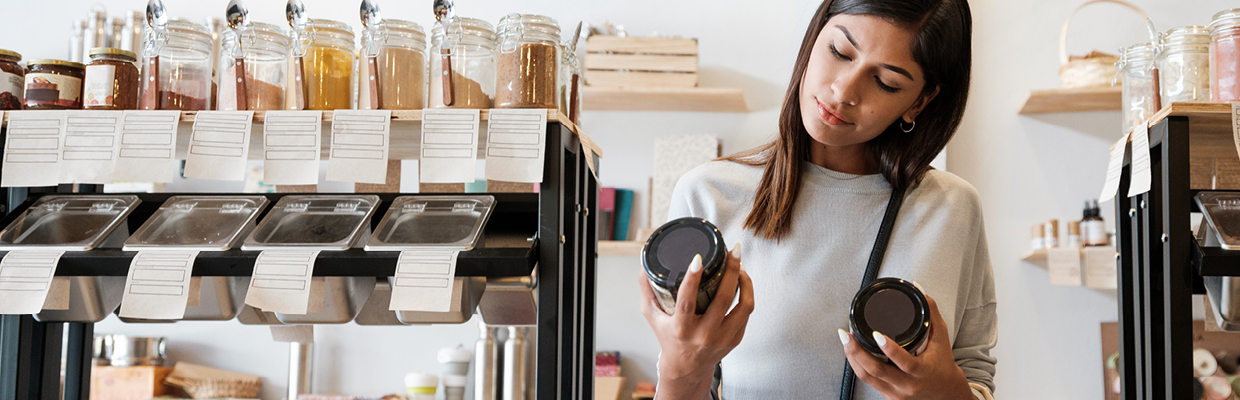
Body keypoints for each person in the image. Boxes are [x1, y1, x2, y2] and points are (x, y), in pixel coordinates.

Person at [636, 0, 996, 399]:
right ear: (814, 37)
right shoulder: (708, 197)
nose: (843, 91)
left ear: (919, 101)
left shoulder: (952, 209)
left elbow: (975, 374)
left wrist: (947, 394)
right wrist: (681, 372)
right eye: (839, 52)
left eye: (887, 82)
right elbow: (685, 379)